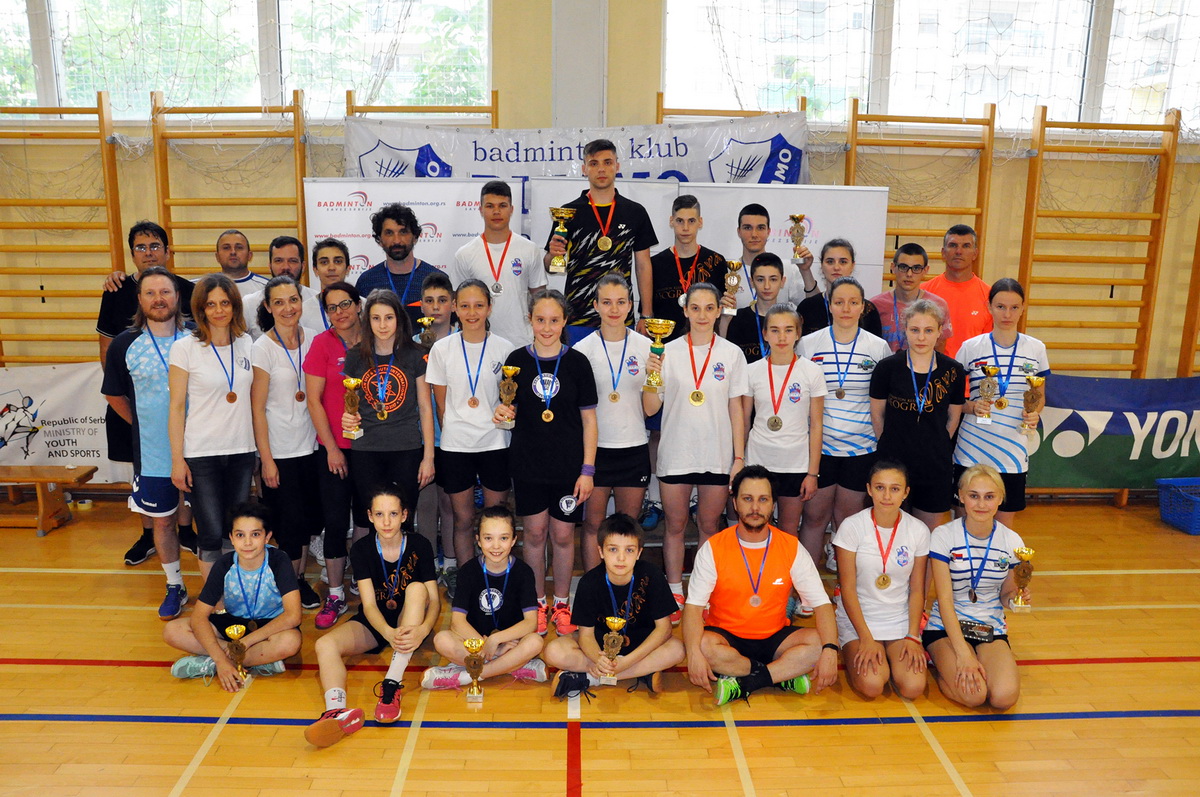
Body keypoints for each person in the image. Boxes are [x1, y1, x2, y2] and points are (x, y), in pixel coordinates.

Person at [683, 466, 838, 706]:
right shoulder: (713, 548)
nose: (755, 507)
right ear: (735, 503)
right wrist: (693, 654)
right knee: (702, 645)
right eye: (747, 499)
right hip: (726, 638)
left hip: (775, 638)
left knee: (820, 644)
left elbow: (822, 604)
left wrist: (830, 650)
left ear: (773, 504)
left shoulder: (791, 547)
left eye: (763, 499)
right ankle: (781, 675)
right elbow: (693, 608)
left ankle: (748, 680)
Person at [492, 289, 598, 636]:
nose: (547, 327)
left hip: (568, 468)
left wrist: (587, 470)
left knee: (564, 536)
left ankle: (562, 602)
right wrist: (502, 412)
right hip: (528, 466)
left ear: (565, 321)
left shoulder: (578, 363)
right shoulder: (515, 361)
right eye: (540, 320)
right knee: (535, 534)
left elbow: (589, 421)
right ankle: (537, 603)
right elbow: (508, 410)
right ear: (530, 320)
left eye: (554, 320)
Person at [643, 282, 748, 621]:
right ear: (685, 311)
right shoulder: (666, 351)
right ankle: (674, 590)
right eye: (695, 308)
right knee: (675, 525)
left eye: (709, 308)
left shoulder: (732, 354)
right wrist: (651, 377)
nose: (702, 315)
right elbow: (649, 408)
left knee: (708, 525)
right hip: (676, 453)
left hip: (716, 455)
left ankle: (701, 593)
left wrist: (739, 458)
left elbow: (736, 409)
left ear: (718, 311)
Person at [306, 488, 439, 747]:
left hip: (410, 621)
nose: (386, 521)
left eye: (393, 514)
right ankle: (336, 712)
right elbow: (368, 605)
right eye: (379, 514)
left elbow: (433, 600)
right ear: (369, 516)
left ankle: (391, 686)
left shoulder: (419, 545)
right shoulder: (362, 549)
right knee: (324, 644)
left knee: (417, 588)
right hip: (377, 621)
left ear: (404, 515)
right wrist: (387, 632)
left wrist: (424, 629)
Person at [97, 221, 196, 566]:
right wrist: (139, 421)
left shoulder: (192, 317)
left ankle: (188, 531)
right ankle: (150, 540)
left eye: (155, 246)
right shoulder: (118, 299)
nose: (149, 252)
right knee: (155, 501)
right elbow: (111, 376)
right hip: (146, 424)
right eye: (141, 247)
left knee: (188, 491)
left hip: (195, 434)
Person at [797, 277, 892, 578]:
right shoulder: (809, 344)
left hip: (861, 448)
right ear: (830, 305)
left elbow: (884, 401)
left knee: (848, 520)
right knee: (814, 517)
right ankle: (807, 587)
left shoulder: (877, 347)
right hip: (820, 448)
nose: (846, 308)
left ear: (863, 307)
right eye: (839, 302)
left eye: (853, 302)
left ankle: (844, 588)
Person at [426, 278, 514, 599]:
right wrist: (459, 430)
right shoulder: (441, 349)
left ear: (489, 307)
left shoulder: (505, 349)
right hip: (456, 447)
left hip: (495, 444)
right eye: (464, 306)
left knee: (497, 520)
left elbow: (510, 401)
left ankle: (498, 580)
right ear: (454, 308)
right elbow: (441, 406)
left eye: (478, 305)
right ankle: (467, 583)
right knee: (462, 519)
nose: (472, 312)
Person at [168, 274, 256, 580]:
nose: (219, 310)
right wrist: (177, 460)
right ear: (200, 309)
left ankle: (235, 591)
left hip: (242, 450)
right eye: (211, 304)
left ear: (234, 306)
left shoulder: (247, 343)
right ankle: (213, 598)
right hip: (202, 453)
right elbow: (176, 407)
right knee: (209, 531)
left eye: (225, 303)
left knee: (236, 529)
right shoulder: (184, 348)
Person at [163, 502, 302, 690]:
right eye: (240, 535)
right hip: (232, 624)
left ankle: (211, 663)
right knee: (172, 630)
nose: (247, 542)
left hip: (269, 627)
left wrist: (246, 642)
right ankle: (243, 662)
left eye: (255, 534)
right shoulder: (224, 564)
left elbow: (293, 616)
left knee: (290, 642)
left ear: (267, 537)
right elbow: (198, 617)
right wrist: (221, 659)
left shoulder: (279, 560)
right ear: (231, 538)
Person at [545, 513, 684, 697]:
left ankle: (590, 678)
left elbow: (664, 629)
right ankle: (642, 672)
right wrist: (599, 659)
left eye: (629, 550)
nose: (621, 558)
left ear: (639, 553)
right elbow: (586, 635)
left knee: (677, 650)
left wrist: (627, 662)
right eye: (613, 549)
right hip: (600, 647)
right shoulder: (589, 582)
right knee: (553, 651)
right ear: (601, 552)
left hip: (641, 646)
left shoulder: (652, 575)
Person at [924, 464, 1027, 710]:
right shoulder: (944, 535)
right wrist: (963, 654)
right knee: (974, 696)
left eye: (989, 497)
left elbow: (1006, 595)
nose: (981, 504)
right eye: (974, 496)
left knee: (1003, 698)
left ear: (1000, 499)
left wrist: (1016, 598)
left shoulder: (1012, 541)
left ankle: (975, 660)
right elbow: (944, 599)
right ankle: (940, 664)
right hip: (946, 628)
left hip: (989, 628)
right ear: (961, 496)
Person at [250, 275, 324, 612]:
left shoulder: (315, 339)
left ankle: (298, 579)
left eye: (292, 300)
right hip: (280, 450)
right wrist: (266, 460)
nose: (287, 308)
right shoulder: (262, 348)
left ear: (301, 301)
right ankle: (288, 586)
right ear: (268, 307)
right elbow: (257, 408)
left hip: (312, 446)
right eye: (278, 302)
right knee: (288, 523)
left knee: (307, 521)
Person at [954, 278, 1050, 528]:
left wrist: (1035, 413)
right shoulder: (971, 347)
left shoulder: (1036, 348)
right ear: (989, 307)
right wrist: (971, 407)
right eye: (1000, 307)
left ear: (1023, 308)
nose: (1007, 314)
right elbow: (951, 399)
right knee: (965, 522)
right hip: (972, 447)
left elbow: (1039, 396)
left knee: (1004, 527)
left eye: (1014, 307)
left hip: (1013, 449)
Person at [340, 289, 436, 535]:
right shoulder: (355, 356)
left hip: (406, 448)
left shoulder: (416, 354)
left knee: (403, 519)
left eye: (388, 317)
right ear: (367, 321)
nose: (382, 325)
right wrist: (348, 418)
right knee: (371, 520)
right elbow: (350, 404)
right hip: (366, 449)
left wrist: (428, 457)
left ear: (399, 319)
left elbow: (425, 407)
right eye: (376, 318)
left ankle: (404, 562)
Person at [574, 275, 652, 571]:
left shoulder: (647, 347)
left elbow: (651, 408)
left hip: (633, 447)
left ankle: (624, 587)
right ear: (595, 305)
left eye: (621, 302)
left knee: (628, 527)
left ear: (631, 305)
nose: (614, 309)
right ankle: (594, 587)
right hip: (596, 451)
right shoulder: (583, 350)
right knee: (593, 525)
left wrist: (654, 378)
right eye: (606, 302)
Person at [543, 139, 657, 342]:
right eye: (594, 163)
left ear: (617, 166)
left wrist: (646, 314)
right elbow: (551, 267)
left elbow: (643, 265)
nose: (601, 169)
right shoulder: (568, 212)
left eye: (607, 162)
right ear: (584, 169)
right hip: (578, 316)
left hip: (619, 315)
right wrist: (553, 255)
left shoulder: (635, 212)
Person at [832, 460, 929, 700]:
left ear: (906, 492)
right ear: (869, 489)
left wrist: (912, 635)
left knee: (913, 687)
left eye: (895, 489)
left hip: (899, 618)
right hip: (859, 618)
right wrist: (866, 638)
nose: (886, 496)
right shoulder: (852, 527)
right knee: (873, 684)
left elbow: (917, 590)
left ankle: (891, 653)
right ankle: (855, 646)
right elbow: (847, 588)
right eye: (880, 487)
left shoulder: (918, 530)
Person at [422, 506, 547, 689]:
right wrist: (487, 646)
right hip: (475, 642)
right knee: (442, 640)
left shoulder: (524, 572)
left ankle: (469, 675)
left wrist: (496, 640)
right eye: (488, 538)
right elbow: (457, 622)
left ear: (513, 540)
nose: (496, 546)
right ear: (478, 540)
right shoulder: (468, 571)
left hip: (510, 641)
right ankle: (510, 665)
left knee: (535, 642)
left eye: (503, 538)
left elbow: (530, 623)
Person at [302, 281, 368, 629]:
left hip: (371, 448)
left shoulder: (374, 338)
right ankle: (336, 593)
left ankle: (364, 581)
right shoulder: (321, 344)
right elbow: (314, 401)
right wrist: (330, 448)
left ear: (358, 305)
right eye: (332, 307)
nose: (339, 312)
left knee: (368, 519)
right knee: (336, 521)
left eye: (345, 304)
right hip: (334, 450)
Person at [870, 298, 966, 531]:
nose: (921, 337)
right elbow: (877, 415)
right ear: (905, 330)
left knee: (928, 532)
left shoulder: (953, 370)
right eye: (915, 330)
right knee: (891, 530)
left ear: (940, 331)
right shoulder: (886, 368)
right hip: (893, 463)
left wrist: (936, 443)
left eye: (928, 330)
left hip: (934, 464)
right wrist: (891, 445)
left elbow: (953, 417)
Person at [742, 305, 825, 538]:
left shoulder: (812, 371)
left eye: (788, 330)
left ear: (798, 333)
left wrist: (812, 473)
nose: (781, 337)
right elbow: (744, 421)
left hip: (795, 464)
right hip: (758, 460)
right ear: (765, 334)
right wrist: (739, 460)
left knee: (788, 530)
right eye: (775, 330)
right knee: (754, 527)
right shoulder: (751, 371)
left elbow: (816, 425)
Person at [450, 180, 547, 346]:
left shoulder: (530, 249)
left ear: (511, 209)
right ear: (481, 210)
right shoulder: (465, 254)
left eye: (502, 205)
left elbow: (540, 299)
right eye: (490, 206)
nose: (496, 211)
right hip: (480, 342)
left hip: (521, 341)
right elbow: (458, 302)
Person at [413, 273, 458, 577]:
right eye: (429, 301)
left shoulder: (463, 341)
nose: (436, 307)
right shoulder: (411, 345)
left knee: (450, 503)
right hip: (421, 438)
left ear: (453, 304)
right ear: (421, 306)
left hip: (455, 439)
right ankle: (428, 565)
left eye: (442, 300)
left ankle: (452, 564)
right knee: (426, 504)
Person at [648, 194, 731, 342]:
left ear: (700, 222)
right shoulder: (654, 264)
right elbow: (649, 312)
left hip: (706, 346)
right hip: (665, 345)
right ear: (671, 221)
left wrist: (730, 305)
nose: (685, 228)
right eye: (680, 221)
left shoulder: (717, 262)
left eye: (691, 221)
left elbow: (723, 310)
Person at [353, 203, 442, 327]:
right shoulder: (366, 281)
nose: (397, 240)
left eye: (403, 232)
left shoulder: (437, 279)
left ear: (415, 237)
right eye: (389, 233)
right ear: (379, 239)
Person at [923, 225, 992, 358]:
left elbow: (989, 345)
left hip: (972, 370)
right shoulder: (924, 292)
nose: (959, 251)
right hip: (932, 370)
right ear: (943, 252)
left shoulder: (989, 296)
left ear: (975, 253)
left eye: (966, 246)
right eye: (953, 245)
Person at [869, 243, 953, 353]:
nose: (909, 274)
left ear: (926, 270)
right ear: (893, 268)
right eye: (903, 267)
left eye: (916, 268)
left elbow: (939, 349)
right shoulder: (875, 305)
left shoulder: (938, 305)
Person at [731, 203, 817, 309]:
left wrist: (806, 271)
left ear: (768, 231)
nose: (754, 234)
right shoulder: (730, 271)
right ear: (739, 232)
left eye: (760, 228)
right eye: (747, 228)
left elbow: (815, 307)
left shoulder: (788, 268)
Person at [797, 239, 884, 338]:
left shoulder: (868, 310)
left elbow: (876, 345)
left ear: (852, 266)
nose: (836, 267)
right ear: (821, 265)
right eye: (830, 261)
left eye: (843, 262)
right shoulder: (807, 307)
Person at [243, 236, 319, 339]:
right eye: (278, 261)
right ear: (270, 265)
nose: (285, 267)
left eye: (292, 261)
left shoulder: (317, 300)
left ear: (303, 266)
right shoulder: (249, 303)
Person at [721, 252, 788, 363]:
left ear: (782, 282)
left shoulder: (791, 319)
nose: (767, 286)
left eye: (773, 279)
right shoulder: (738, 319)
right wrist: (724, 321)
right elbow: (724, 354)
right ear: (751, 282)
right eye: (760, 280)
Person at [305, 238, 352, 334]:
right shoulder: (303, 312)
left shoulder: (364, 307)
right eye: (324, 262)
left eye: (338, 261)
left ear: (348, 269)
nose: (331, 268)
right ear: (315, 270)